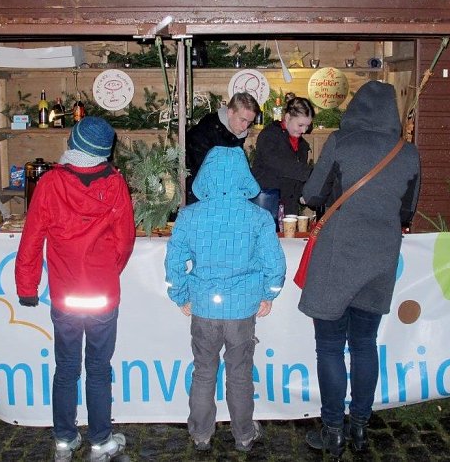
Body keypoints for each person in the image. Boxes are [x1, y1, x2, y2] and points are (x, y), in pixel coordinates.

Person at [298, 81, 421, 457]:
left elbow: (313, 194)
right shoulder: (407, 152)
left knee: (330, 346)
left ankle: (333, 430)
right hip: (381, 256)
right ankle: (361, 428)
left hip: (338, 254)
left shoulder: (341, 142)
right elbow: (407, 213)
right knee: (365, 344)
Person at [15, 116, 136, 462]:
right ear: (105, 152)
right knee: (98, 369)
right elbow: (125, 240)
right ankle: (100, 442)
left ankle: (64, 440)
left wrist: (27, 286)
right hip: (102, 296)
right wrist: (107, 272)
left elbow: (32, 238)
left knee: (66, 368)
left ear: (72, 143)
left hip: (66, 296)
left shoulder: (50, 183)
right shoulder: (115, 184)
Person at [164, 146, 286, 454]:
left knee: (204, 371)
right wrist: (268, 293)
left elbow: (173, 263)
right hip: (241, 310)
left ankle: (201, 434)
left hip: (204, 308)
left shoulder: (189, 215)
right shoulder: (258, 217)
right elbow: (275, 263)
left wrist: (180, 296)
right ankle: (244, 435)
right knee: (240, 373)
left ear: (205, 175)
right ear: (243, 176)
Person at [185, 92, 262, 204]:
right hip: (198, 197)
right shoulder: (204, 132)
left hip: (220, 197)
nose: (245, 127)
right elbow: (201, 175)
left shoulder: (234, 133)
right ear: (230, 113)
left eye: (249, 122)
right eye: (243, 120)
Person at [251, 96, 315, 217]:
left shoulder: (301, 145)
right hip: (265, 206)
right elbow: (278, 164)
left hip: (289, 209)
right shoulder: (269, 136)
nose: (304, 130)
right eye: (300, 125)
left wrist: (303, 193)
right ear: (287, 117)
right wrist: (312, 173)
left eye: (307, 126)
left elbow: (296, 179)